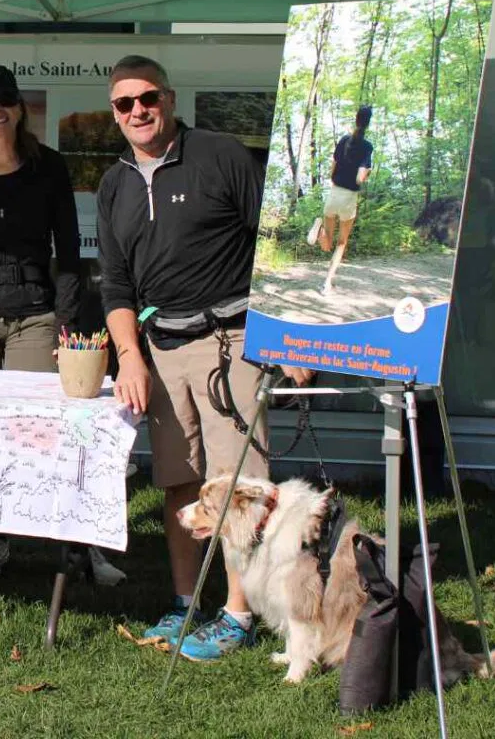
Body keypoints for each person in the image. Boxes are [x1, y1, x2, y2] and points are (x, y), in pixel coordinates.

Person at [97, 54, 310, 661]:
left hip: (232, 341)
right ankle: (185, 602)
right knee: (178, 481)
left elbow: (276, 251)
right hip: (161, 349)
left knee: (240, 486)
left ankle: (238, 614)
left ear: (169, 97)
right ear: (114, 114)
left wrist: (289, 338)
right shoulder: (114, 184)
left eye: (148, 99)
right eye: (124, 104)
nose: (138, 111)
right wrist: (129, 359)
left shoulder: (220, 155)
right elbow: (115, 285)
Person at [0, 65, 125, 585]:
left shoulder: (49, 167)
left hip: (34, 316)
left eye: (5, 100)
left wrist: (65, 324)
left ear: (20, 108)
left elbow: (68, 250)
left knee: (39, 434)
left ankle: (80, 546)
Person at [310, 105, 374, 294]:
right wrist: (367, 172)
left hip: (334, 193)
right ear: (368, 123)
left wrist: (336, 179)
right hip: (348, 198)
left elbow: (333, 168)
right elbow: (359, 178)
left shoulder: (345, 140)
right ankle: (327, 283)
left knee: (326, 243)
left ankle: (319, 227)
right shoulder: (367, 147)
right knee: (340, 243)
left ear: (356, 119)